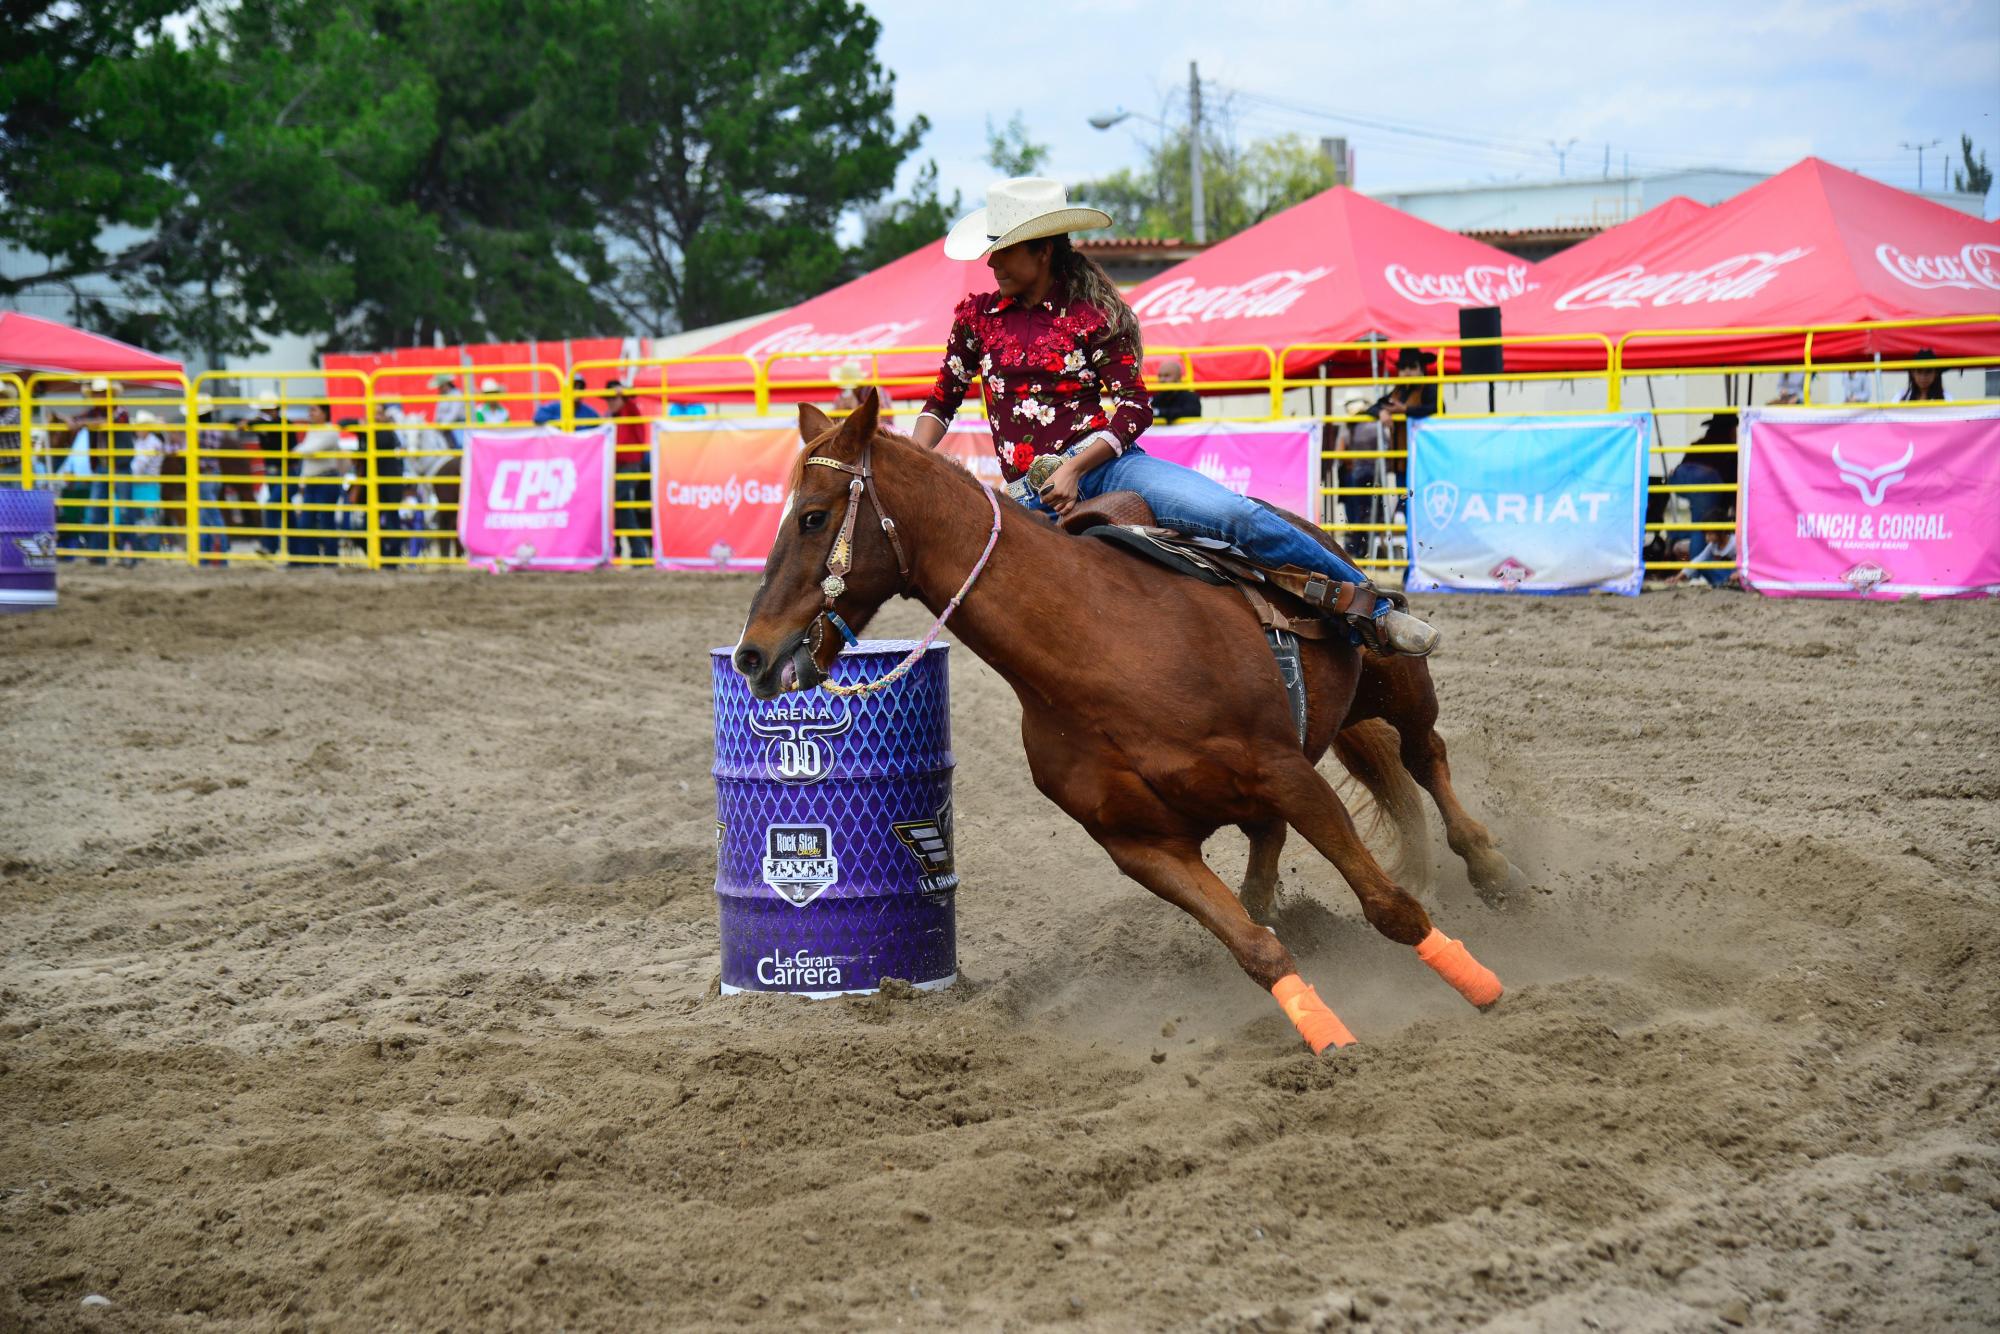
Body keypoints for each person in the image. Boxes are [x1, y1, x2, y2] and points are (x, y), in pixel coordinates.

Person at [911, 176, 1436, 655]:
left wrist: (1074, 469)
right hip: (1026, 497)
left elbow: (1135, 405)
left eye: (1003, 250)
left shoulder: (1094, 316)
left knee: (1234, 516)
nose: (990, 263)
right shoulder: (977, 320)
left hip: (1109, 468)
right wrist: (913, 456)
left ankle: (1376, 611)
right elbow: (941, 401)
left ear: (1042, 250)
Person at [292, 402, 349, 562]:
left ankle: (330, 559)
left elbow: (309, 450)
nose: (310, 413)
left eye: (314, 410)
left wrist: (297, 452)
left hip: (326, 481)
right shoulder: (314, 430)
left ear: (324, 413)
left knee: (325, 522)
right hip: (313, 481)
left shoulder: (330, 431)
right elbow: (306, 451)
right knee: (306, 523)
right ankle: (311, 560)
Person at [605, 379, 652, 561]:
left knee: (617, 505)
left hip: (631, 467)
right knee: (622, 508)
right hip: (619, 468)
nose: (610, 402)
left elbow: (632, 397)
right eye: (609, 399)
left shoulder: (630, 410)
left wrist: (623, 392)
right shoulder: (612, 417)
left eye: (613, 398)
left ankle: (635, 551)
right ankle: (637, 552)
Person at [1151, 359, 1202, 423]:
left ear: (1178, 378)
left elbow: (1189, 413)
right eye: (1160, 376)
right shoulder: (1157, 398)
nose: (1162, 380)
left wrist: (1158, 412)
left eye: (1167, 376)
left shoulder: (1190, 397)